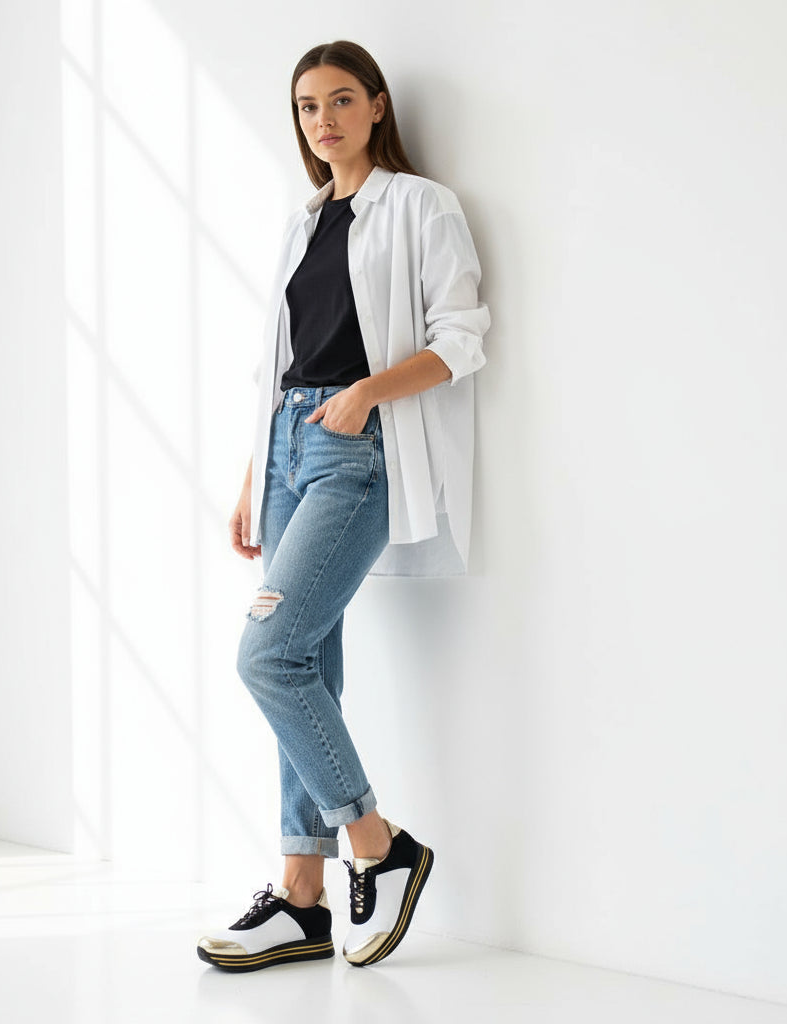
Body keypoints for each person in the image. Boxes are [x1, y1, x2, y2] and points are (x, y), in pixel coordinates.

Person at [197, 40, 490, 972]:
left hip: (354, 451)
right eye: (306, 107)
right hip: (284, 448)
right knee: (304, 668)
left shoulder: (419, 206)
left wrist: (368, 392)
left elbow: (463, 337)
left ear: (375, 107)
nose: (321, 120)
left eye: (339, 101)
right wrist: (254, 471)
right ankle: (301, 899)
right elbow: (278, 360)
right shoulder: (303, 220)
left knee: (267, 655)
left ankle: (379, 842)